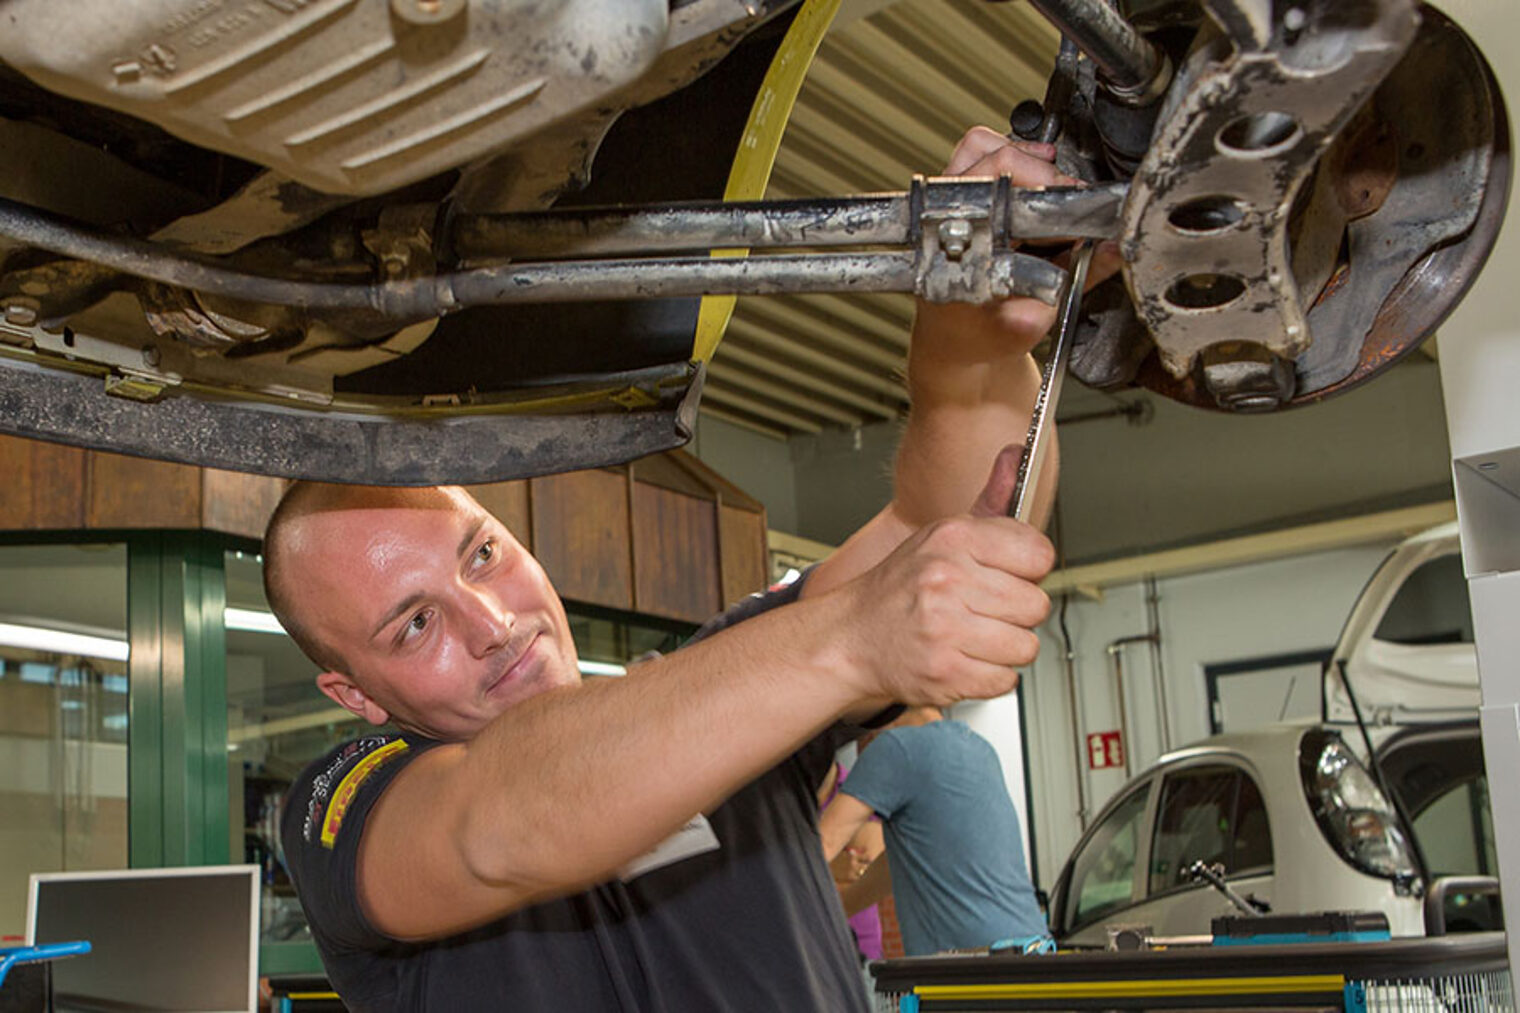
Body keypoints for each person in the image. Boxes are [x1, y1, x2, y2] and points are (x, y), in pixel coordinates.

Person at [269, 127, 1111, 1011]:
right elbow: (496, 822)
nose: (492, 622)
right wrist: (853, 639)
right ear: (355, 695)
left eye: (481, 553)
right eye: (415, 623)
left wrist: (969, 327)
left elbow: (930, 523)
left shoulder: (721, 691)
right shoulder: (344, 813)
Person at [818, 706, 1051, 957]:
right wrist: (835, 912)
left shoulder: (894, 747)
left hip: (972, 965)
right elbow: (894, 865)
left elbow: (824, 843)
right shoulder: (978, 747)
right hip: (1033, 950)